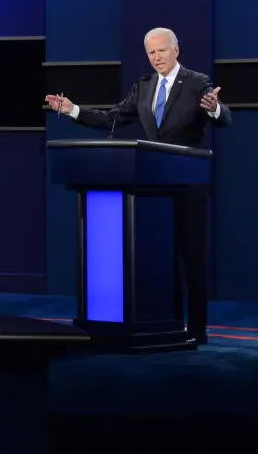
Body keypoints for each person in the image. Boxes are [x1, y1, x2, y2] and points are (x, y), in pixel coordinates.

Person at [44, 27, 231, 344]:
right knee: (161, 258)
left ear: (176, 50)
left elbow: (224, 118)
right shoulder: (144, 87)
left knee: (191, 259)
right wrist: (72, 110)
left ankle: (197, 330)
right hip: (153, 190)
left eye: (162, 51)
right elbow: (112, 119)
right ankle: (164, 322)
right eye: (151, 53)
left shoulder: (197, 82)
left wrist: (213, 107)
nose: (156, 57)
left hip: (187, 187)